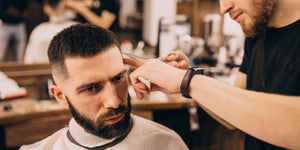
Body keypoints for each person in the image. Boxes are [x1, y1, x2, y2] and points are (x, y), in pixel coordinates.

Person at [124, 0, 300, 149]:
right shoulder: (257, 32)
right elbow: (233, 117)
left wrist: (186, 81)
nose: (223, 8)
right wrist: (183, 82)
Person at [20, 23, 188, 150]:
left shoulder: (167, 143)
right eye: (91, 88)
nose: (114, 102)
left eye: (117, 78)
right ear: (60, 96)